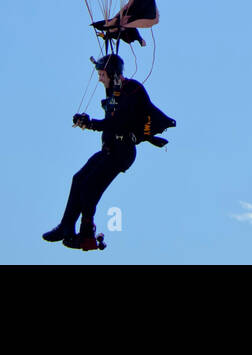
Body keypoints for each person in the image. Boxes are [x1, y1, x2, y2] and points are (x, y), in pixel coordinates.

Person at [43, 54, 172, 249]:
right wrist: (86, 120)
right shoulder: (113, 93)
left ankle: (87, 236)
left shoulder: (130, 90)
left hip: (123, 151)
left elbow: (117, 122)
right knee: (78, 179)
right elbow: (110, 120)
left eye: (102, 74)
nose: (99, 78)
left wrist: (92, 124)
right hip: (110, 149)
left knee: (89, 188)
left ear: (112, 73)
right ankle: (66, 227)